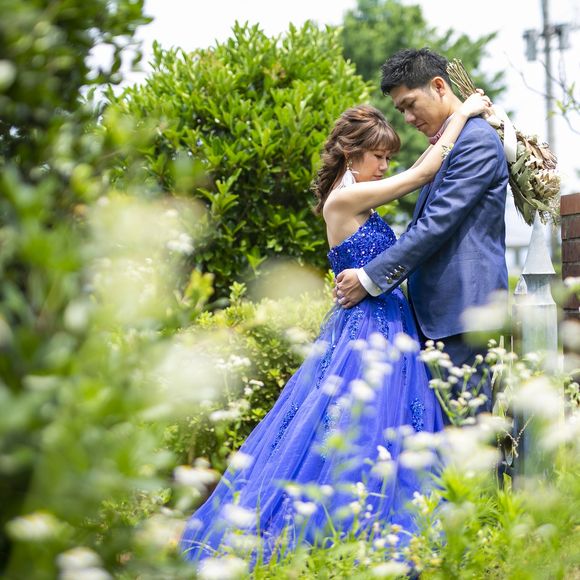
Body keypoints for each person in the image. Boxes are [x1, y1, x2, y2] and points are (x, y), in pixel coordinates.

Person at [180, 93, 492, 567]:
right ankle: (348, 533)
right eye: (378, 156)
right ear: (351, 153)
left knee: (386, 426)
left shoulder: (357, 193)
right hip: (368, 327)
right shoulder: (344, 199)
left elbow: (414, 175)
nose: (385, 166)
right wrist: (463, 114)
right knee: (360, 426)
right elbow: (422, 175)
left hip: (388, 320)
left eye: (388, 157)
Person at [335, 48, 509, 416]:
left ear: (439, 86)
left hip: (463, 316)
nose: (409, 118)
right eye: (401, 111)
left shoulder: (476, 141)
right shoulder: (451, 143)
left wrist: (368, 278)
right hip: (435, 319)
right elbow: (420, 181)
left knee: (468, 434)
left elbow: (435, 225)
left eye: (410, 105)